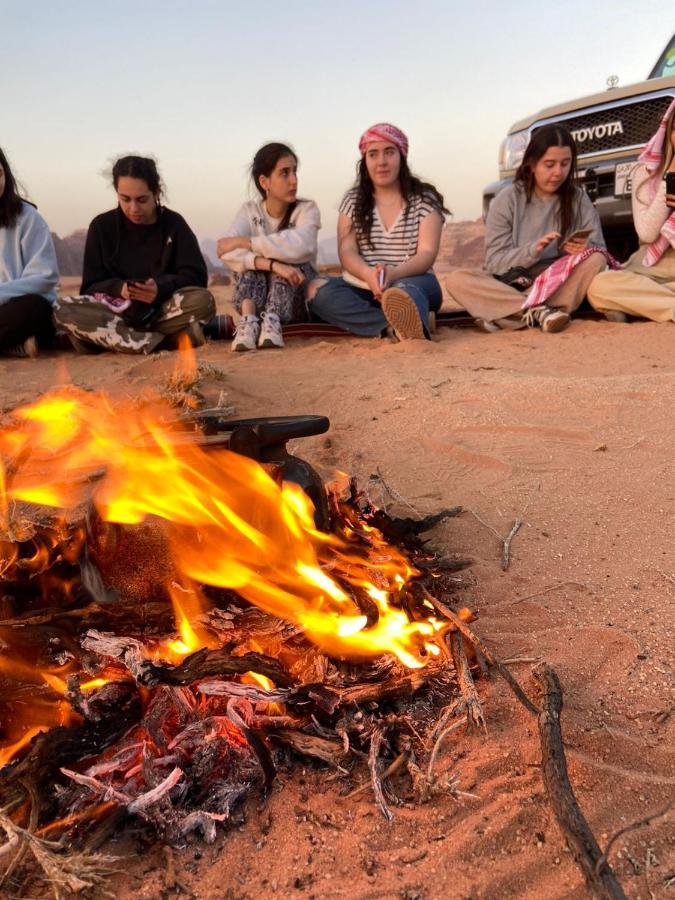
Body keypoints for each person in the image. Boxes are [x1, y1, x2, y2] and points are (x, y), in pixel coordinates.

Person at [446, 125, 607, 333]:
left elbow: (601, 250)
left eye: (565, 164)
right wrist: (533, 251)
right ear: (531, 164)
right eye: (549, 164)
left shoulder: (578, 198)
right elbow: (495, 263)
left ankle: (508, 315)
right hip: (513, 283)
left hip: (556, 282)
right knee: (457, 280)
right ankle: (540, 311)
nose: (558, 172)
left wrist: (586, 247)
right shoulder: (507, 199)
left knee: (596, 259)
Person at [54, 156, 214, 353]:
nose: (133, 208)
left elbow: (197, 278)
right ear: (117, 194)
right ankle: (165, 342)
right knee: (60, 310)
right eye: (125, 199)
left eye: (142, 200)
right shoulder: (101, 227)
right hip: (115, 313)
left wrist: (160, 288)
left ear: (156, 192)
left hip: (162, 311)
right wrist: (120, 288)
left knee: (203, 301)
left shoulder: (174, 224)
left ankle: (111, 341)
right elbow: (89, 288)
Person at [308, 123, 447, 340]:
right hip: (365, 284)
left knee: (402, 292)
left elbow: (427, 253)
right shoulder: (352, 201)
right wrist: (369, 275)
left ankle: (403, 316)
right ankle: (391, 326)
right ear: (365, 160)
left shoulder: (424, 199)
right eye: (373, 154)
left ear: (401, 156)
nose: (381, 161)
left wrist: (393, 274)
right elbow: (347, 252)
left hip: (413, 280)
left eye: (389, 153)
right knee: (316, 289)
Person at [217, 142, 320, 352]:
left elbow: (302, 245)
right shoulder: (249, 211)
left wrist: (248, 242)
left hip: (293, 300)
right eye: (284, 173)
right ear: (264, 181)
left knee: (287, 257)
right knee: (251, 263)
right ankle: (249, 321)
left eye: (294, 172)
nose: (293, 180)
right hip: (257, 301)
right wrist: (270, 265)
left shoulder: (306, 209)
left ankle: (272, 322)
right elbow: (225, 250)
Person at [587, 99, 675, 322]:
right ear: (669, 132)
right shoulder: (645, 174)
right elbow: (647, 233)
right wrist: (669, 180)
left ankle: (641, 304)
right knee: (599, 286)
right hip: (649, 266)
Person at [0, 147, 58, 358]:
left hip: (18, 310)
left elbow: (44, 278)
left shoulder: (28, 217)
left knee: (35, 308)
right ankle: (12, 347)